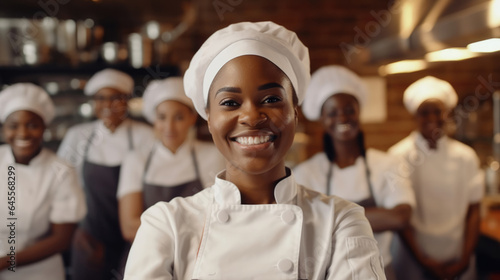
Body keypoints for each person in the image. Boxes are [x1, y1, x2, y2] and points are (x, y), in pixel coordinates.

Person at [124, 21, 386, 280]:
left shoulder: (341, 223)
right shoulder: (165, 225)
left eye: (272, 99)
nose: (251, 115)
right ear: (208, 117)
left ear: (294, 112)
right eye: (229, 103)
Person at [293, 65, 415, 279]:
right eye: (332, 112)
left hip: (380, 272)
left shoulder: (388, 164)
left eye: (349, 109)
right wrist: (377, 215)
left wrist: (327, 220)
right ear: (322, 119)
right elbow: (303, 230)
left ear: (359, 112)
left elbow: (400, 217)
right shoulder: (307, 173)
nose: (342, 118)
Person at [57, 69, 155, 280]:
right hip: (90, 236)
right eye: (101, 98)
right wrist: (76, 231)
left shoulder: (145, 136)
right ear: (94, 102)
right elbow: (60, 186)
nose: (108, 105)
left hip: (135, 236)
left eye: (115, 98)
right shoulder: (78, 136)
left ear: (127, 100)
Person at [388, 76, 484, 280]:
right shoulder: (397, 156)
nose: (431, 117)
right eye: (424, 112)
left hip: (458, 259)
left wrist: (465, 258)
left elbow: (474, 210)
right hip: (412, 262)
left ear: (447, 114)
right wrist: (423, 261)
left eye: (437, 111)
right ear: (415, 116)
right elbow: (399, 217)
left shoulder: (465, 156)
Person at [117, 76, 224, 243]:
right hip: (145, 255)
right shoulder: (136, 159)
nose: (169, 127)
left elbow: (218, 216)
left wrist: (155, 226)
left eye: (179, 117)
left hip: (199, 256)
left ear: (192, 118)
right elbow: (130, 228)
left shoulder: (212, 155)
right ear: (153, 119)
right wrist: (187, 227)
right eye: (162, 117)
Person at [0, 83, 86, 280]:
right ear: (4, 128)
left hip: (40, 273)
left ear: (44, 127)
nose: (23, 134)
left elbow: (61, 240)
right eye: (13, 125)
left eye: (32, 125)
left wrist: (5, 262)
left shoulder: (61, 170)